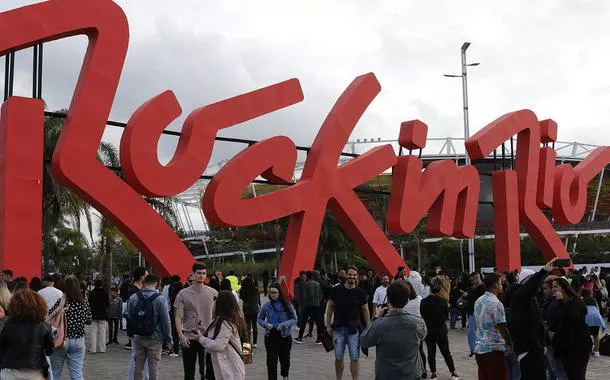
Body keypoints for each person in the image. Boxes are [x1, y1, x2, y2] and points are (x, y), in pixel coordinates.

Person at [361, 280, 427, 380]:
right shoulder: (419, 323)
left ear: (388, 300)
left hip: (387, 375)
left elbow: (364, 341)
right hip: (412, 375)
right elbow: (423, 335)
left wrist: (375, 318)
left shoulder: (380, 325)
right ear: (407, 300)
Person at [175, 262, 218, 380]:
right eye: (198, 273)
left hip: (208, 337)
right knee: (189, 372)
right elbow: (178, 316)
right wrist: (181, 335)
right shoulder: (183, 294)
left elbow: (217, 316)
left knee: (208, 373)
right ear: (193, 274)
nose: (201, 276)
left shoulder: (213, 293)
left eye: (204, 273)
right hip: (189, 337)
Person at [325, 266, 370, 380]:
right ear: (346, 275)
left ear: (357, 276)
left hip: (354, 329)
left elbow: (365, 310)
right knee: (339, 357)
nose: (352, 277)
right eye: (350, 274)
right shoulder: (336, 290)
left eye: (354, 275)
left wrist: (369, 326)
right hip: (338, 328)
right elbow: (330, 307)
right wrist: (328, 325)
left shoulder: (360, 293)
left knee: (354, 357)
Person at [0, 289, 54, 379]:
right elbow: (49, 350)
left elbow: (2, 349)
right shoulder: (44, 327)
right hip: (34, 373)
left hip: (11, 372)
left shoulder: (8, 326)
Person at [194, 291, 246, 380]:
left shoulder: (225, 323)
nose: (213, 303)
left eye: (215, 300)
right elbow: (218, 336)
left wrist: (200, 339)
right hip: (227, 365)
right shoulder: (232, 319)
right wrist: (203, 329)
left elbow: (218, 345)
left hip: (228, 368)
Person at [128, 275, 172, 380]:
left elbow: (130, 316)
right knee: (153, 366)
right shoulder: (160, 299)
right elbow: (165, 321)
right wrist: (168, 338)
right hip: (155, 338)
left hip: (138, 337)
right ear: (157, 283)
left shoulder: (134, 297)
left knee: (138, 365)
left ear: (144, 282)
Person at [49, 276, 92, 380]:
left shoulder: (62, 302)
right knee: (77, 374)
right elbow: (89, 319)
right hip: (78, 341)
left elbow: (50, 316)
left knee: (55, 372)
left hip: (61, 340)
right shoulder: (84, 302)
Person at [473, 273, 513, 380]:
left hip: (480, 349)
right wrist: (509, 344)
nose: (501, 286)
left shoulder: (478, 301)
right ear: (495, 285)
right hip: (494, 350)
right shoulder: (496, 303)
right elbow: (502, 327)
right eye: (500, 284)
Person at [420, 277, 460, 380]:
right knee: (446, 352)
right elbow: (446, 317)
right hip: (441, 330)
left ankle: (433, 374)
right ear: (439, 290)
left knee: (431, 353)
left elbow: (422, 316)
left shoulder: (423, 302)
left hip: (429, 331)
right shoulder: (443, 301)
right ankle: (453, 372)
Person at [552, 277, 592, 379]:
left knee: (577, 374)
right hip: (570, 345)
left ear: (564, 288)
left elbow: (570, 318)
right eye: (552, 287)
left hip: (580, 345)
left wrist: (561, 302)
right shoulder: (565, 302)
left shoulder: (575, 301)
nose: (554, 289)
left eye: (556, 287)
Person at [257, 283, 297, 380]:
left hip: (284, 336)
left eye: (275, 292)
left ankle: (285, 376)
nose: (272, 295)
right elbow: (259, 319)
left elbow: (294, 319)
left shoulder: (287, 305)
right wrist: (266, 325)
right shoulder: (267, 306)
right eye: (270, 293)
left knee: (285, 360)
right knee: (271, 362)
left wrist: (284, 324)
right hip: (271, 335)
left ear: (280, 293)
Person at [295, 271, 323, 344]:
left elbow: (304, 297)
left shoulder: (305, 284)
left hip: (308, 305)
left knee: (303, 322)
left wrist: (303, 304)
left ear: (306, 276)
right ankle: (319, 339)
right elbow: (320, 295)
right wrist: (317, 301)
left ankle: (300, 337)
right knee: (318, 322)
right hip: (316, 305)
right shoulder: (317, 284)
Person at [465, 272, 485, 356]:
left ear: (477, 278)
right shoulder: (475, 288)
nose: (472, 282)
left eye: (472, 280)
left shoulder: (482, 288)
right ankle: (474, 348)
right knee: (473, 331)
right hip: (473, 312)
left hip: (477, 312)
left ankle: (474, 349)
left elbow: (475, 299)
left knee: (473, 331)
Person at [88, 279, 109, 354]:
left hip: (93, 314)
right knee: (102, 331)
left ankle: (93, 349)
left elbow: (89, 304)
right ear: (101, 285)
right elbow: (107, 304)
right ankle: (102, 348)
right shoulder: (105, 293)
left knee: (93, 331)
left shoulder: (92, 293)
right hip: (103, 314)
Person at [239, 274, 261, 348]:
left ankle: (247, 344)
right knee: (254, 325)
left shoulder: (243, 290)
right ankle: (255, 342)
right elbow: (258, 298)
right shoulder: (256, 289)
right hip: (254, 309)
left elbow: (241, 297)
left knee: (247, 326)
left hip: (247, 309)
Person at [582, 289, 604, 357]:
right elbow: (598, 308)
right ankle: (596, 351)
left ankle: (586, 350)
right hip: (596, 316)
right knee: (596, 335)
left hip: (587, 317)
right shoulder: (593, 299)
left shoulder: (582, 299)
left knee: (585, 334)